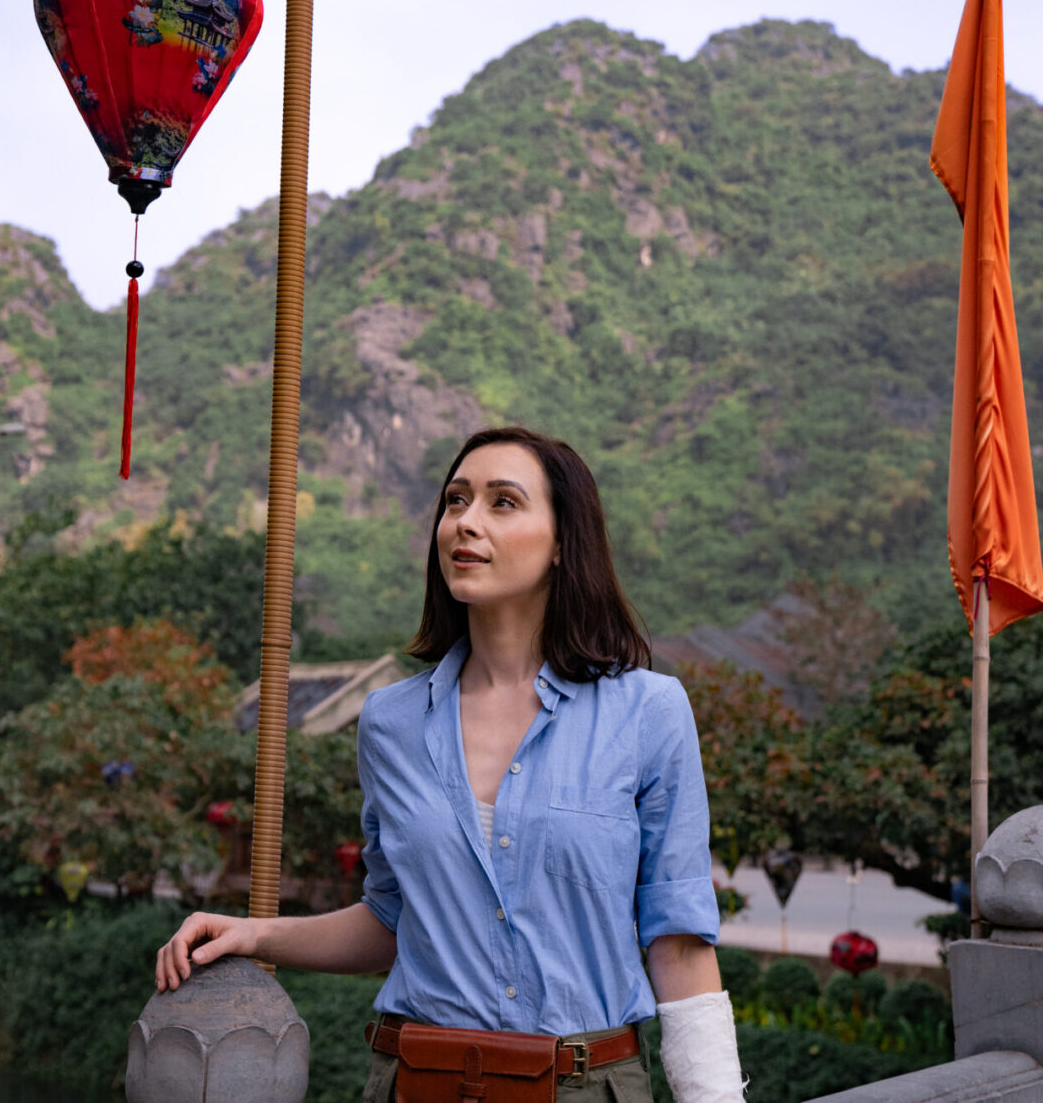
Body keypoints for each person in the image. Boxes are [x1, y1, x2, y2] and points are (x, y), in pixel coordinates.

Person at [155, 427, 745, 1102]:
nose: (465, 521)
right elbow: (392, 920)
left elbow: (679, 942)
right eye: (456, 500)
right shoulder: (390, 723)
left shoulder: (648, 712)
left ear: (562, 543)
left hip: (585, 1084)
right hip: (418, 1080)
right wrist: (252, 933)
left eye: (503, 503)